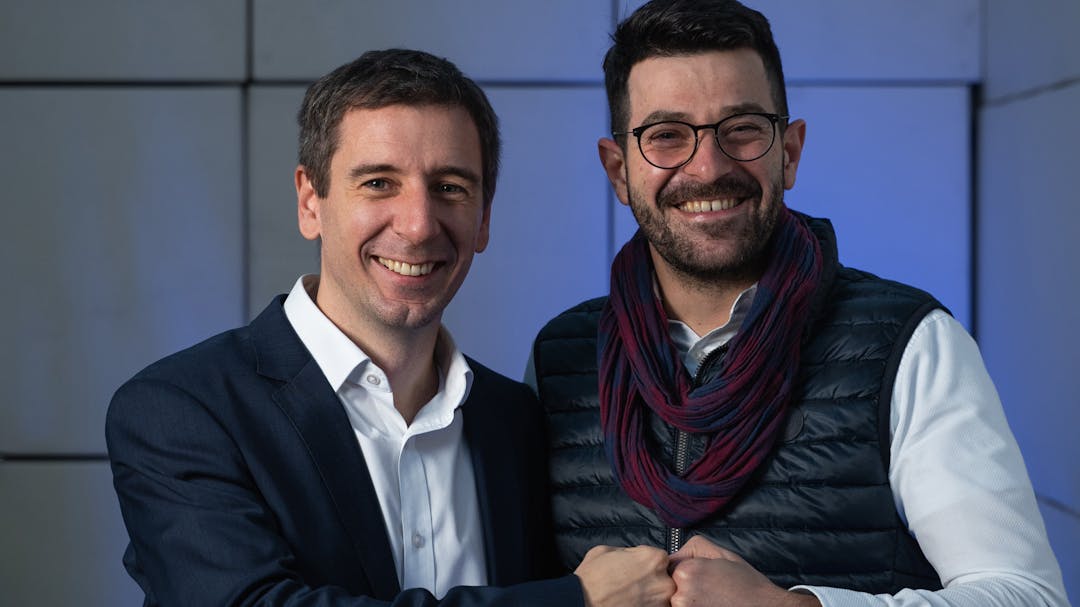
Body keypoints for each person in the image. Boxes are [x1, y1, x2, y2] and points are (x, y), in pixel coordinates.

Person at [529, 2, 1070, 606]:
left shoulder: (909, 343)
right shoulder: (559, 359)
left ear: (788, 152)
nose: (708, 167)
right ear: (618, 171)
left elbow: (1027, 595)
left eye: (742, 128)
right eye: (666, 136)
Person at [106, 49, 673, 607]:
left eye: (450, 187)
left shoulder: (515, 419)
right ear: (310, 202)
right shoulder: (182, 411)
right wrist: (574, 601)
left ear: (484, 218)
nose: (419, 225)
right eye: (379, 183)